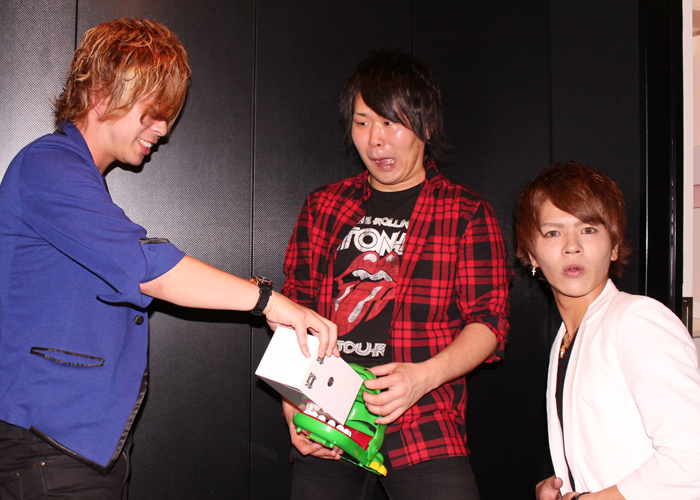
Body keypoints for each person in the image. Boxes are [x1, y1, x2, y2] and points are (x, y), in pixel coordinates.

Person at [0, 18, 336, 499]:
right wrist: (270, 302)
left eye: (167, 115)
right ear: (101, 94)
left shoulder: (72, 174)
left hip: (72, 449)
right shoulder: (48, 166)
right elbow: (148, 269)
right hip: (47, 447)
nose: (162, 129)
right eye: (152, 112)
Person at [280, 50, 512, 500]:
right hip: (327, 410)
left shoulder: (465, 213)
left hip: (425, 416)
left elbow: (489, 322)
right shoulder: (324, 206)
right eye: (363, 122)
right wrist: (293, 405)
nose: (376, 140)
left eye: (391, 122)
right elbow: (294, 310)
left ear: (427, 126)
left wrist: (422, 377)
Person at [515, 162, 700, 500]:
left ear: (614, 246)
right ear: (532, 255)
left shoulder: (636, 320)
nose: (572, 246)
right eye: (553, 233)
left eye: (588, 229)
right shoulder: (566, 340)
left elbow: (693, 456)